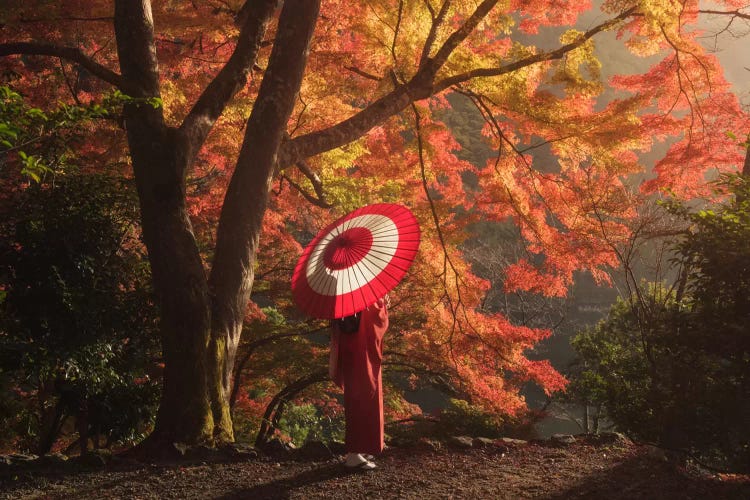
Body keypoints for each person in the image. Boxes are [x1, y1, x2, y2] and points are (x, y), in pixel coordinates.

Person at [329, 295, 390, 470]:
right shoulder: (359, 295)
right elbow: (376, 323)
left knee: (360, 397)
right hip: (360, 352)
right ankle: (354, 453)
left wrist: (378, 303)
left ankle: (361, 448)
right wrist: (382, 305)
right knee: (362, 398)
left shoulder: (342, 291)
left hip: (351, 348)